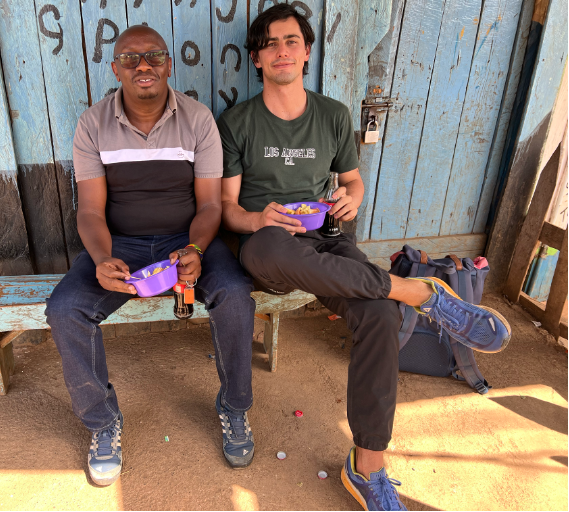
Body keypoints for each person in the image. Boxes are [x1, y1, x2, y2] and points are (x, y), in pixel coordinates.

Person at [217, 5, 511, 510]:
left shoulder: (333, 114)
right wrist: (257, 219)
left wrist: (353, 195)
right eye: (269, 43)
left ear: (306, 52)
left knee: (378, 314)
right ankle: (418, 292)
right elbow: (226, 209)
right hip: (269, 247)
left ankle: (367, 465)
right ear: (257, 58)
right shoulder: (238, 121)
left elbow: (351, 180)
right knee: (267, 248)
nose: (281, 50)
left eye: (291, 41)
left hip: (326, 239)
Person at [46, 25, 256, 487]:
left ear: (169, 64)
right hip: (122, 243)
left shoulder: (198, 119)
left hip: (189, 239)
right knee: (65, 309)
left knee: (236, 295)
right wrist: (101, 257)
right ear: (116, 67)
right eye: (131, 58)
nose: (144, 66)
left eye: (154, 56)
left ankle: (235, 408)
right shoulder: (93, 124)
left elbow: (209, 206)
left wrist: (197, 248)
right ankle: (103, 423)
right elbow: (91, 210)